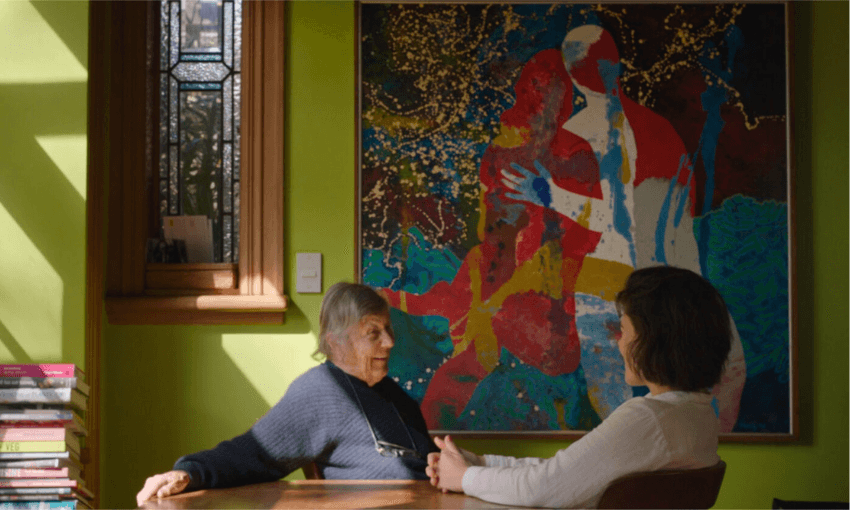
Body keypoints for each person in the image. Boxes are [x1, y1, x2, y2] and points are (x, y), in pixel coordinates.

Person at [426, 266, 731, 509]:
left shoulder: (650, 418)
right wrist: (478, 464)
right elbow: (566, 472)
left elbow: (544, 486)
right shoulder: (695, 414)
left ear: (653, 340)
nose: (618, 342)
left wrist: (464, 478)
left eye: (624, 330)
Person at [136, 282, 438, 506]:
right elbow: (253, 452)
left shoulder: (397, 397)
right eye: (373, 333)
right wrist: (190, 472)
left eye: (387, 329)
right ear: (336, 342)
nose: (389, 342)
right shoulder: (322, 390)